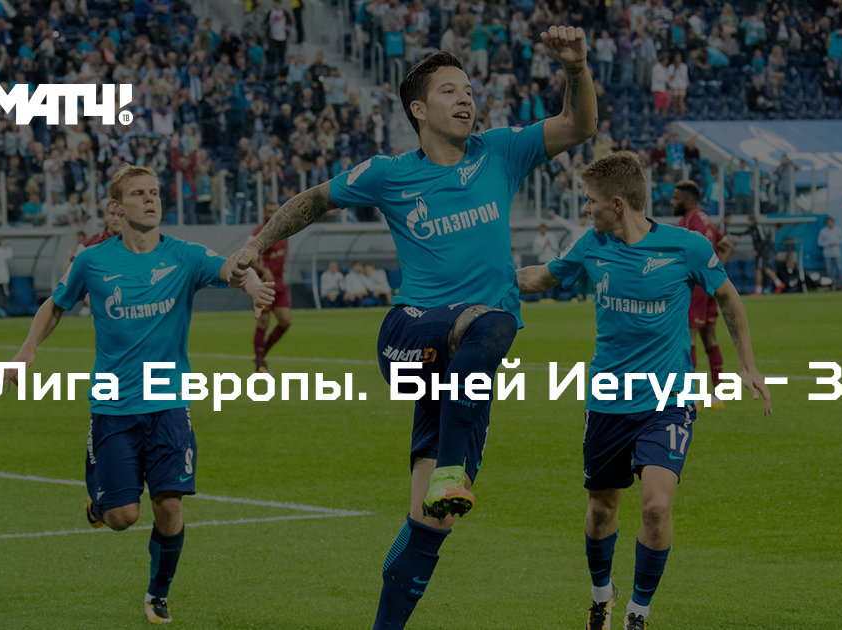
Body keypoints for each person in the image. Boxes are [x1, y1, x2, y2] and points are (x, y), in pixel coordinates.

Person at [227, 29, 597, 628]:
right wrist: (256, 243)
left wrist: (576, 68)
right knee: (492, 317)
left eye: (469, 89)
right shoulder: (388, 173)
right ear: (419, 110)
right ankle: (450, 466)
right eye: (450, 90)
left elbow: (578, 126)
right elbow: (314, 200)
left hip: (467, 369)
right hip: (410, 339)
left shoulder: (501, 151)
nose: (466, 98)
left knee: (432, 522)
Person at [1, 165, 273, 624]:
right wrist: (27, 349)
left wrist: (251, 285)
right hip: (114, 406)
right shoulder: (92, 261)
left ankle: (157, 593)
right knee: (122, 517)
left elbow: (230, 268)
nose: (150, 200)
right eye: (139, 194)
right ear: (117, 207)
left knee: (169, 505)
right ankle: (99, 505)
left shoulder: (183, 256)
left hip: (170, 404)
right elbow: (56, 304)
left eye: (155, 192)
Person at [515, 152, 772, 630]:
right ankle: (601, 597)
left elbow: (728, 297)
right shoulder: (592, 245)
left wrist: (748, 366)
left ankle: (639, 612)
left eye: (590, 201)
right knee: (602, 509)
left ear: (617, 204)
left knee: (656, 505)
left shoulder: (687, 247)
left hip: (668, 399)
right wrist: (487, 282)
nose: (585, 209)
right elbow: (542, 277)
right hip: (608, 399)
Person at [673, 180, 734, 410]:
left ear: (690, 199)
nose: (672, 202)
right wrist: (715, 274)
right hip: (708, 289)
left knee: (689, 341)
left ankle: (691, 396)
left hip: (695, 291)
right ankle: (718, 396)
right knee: (710, 339)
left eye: (677, 198)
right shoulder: (706, 219)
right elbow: (727, 247)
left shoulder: (690, 222)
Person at [250, 202, 292, 373]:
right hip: (263, 284)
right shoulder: (258, 233)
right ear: (263, 213)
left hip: (279, 282)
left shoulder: (285, 231)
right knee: (263, 322)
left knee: (286, 321)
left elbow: (284, 252)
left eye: (275, 210)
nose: (272, 213)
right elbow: (249, 257)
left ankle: (261, 353)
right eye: (269, 211)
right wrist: (263, 270)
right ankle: (260, 364)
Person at [818, 216, 842, 290]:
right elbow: (820, 243)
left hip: (836, 252)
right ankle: (832, 285)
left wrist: (836, 243)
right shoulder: (823, 231)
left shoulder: (838, 230)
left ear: (833, 222)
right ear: (826, 223)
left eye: (831, 222)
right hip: (827, 253)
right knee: (829, 270)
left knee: (840, 268)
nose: (830, 223)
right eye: (828, 222)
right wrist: (828, 244)